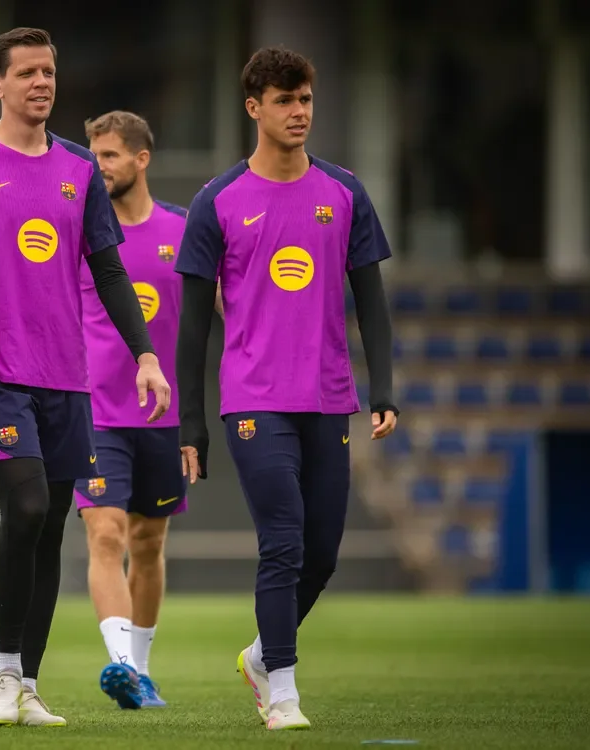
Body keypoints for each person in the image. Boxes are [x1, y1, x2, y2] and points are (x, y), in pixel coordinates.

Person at [0, 27, 171, 727]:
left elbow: (108, 269)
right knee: (29, 506)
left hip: (66, 377)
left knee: (50, 529)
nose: (41, 83)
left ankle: (28, 685)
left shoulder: (78, 168)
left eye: (49, 71)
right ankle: (3, 676)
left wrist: (146, 354)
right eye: (27, 72)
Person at [174, 46, 398, 731]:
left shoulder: (345, 192)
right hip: (254, 399)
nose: (299, 112)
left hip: (329, 397)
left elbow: (372, 300)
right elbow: (191, 327)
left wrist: (384, 389)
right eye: (284, 101)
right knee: (283, 542)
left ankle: (260, 656)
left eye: (305, 99)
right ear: (254, 108)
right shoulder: (217, 202)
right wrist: (191, 423)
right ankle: (284, 694)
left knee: (321, 555)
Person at [73, 111, 188, 710]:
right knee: (106, 534)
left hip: (162, 418)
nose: (98, 166)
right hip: (96, 412)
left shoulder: (183, 230)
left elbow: (225, 306)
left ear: (142, 159)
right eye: (93, 155)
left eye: (110, 155)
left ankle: (142, 671)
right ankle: (122, 666)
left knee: (147, 543)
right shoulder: (79, 233)